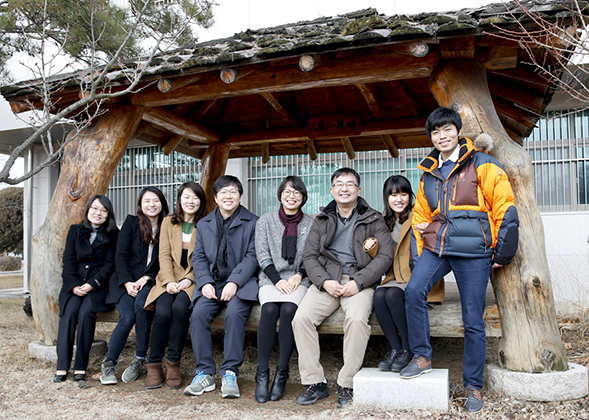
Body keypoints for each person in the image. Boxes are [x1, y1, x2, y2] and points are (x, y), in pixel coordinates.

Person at [401, 107, 519, 413]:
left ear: (457, 130)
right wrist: (420, 250)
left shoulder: (484, 164)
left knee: (472, 319)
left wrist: (501, 251)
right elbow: (420, 216)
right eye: (435, 132)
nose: (442, 136)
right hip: (438, 248)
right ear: (431, 137)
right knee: (413, 291)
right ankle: (422, 356)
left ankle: (473, 386)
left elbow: (505, 208)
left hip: (475, 251)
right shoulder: (428, 172)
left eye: (447, 130)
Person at [292, 168, 393, 408]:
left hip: (359, 281)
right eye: (339, 184)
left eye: (350, 184)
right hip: (327, 280)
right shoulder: (323, 219)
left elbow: (385, 257)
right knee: (301, 319)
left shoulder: (373, 218)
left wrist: (358, 282)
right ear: (332, 190)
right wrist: (324, 281)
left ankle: (347, 383)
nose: (344, 188)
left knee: (357, 320)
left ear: (358, 190)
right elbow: (309, 255)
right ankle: (315, 382)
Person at [184, 175, 259, 399]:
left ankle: (229, 372)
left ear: (240, 196)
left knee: (235, 315)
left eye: (233, 191)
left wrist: (234, 281)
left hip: (242, 282)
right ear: (215, 197)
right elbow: (197, 257)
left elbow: (252, 257)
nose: (228, 196)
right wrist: (205, 281)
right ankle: (205, 371)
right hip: (212, 283)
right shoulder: (204, 223)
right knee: (198, 314)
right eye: (223, 192)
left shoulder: (253, 222)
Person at [364, 175, 444, 373]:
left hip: (418, 277)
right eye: (393, 195)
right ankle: (396, 348)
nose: (398, 199)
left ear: (410, 196)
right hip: (396, 277)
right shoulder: (385, 222)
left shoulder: (419, 216)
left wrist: (428, 230)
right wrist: (372, 248)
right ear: (386, 198)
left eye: (403, 194)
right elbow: (387, 255)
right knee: (379, 295)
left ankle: (409, 349)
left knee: (392, 294)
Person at [253, 175, 314, 403]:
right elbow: (262, 253)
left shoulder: (311, 223)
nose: (292, 196)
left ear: (303, 197)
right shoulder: (265, 221)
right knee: (269, 311)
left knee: (289, 310)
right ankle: (262, 373)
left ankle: (282, 372)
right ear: (280, 195)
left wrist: (299, 275)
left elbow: (311, 255)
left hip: (299, 278)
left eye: (297, 192)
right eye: (287, 192)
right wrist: (276, 279)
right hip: (271, 278)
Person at [100, 187, 169, 385]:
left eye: (156, 201)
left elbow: (166, 261)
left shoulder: (168, 226)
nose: (152, 205)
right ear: (140, 204)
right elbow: (119, 256)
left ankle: (139, 358)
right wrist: (128, 282)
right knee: (127, 316)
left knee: (142, 305)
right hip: (124, 282)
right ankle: (108, 365)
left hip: (149, 281)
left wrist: (146, 278)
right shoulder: (131, 222)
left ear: (162, 203)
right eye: (147, 201)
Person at [143, 182, 207, 390]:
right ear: (179, 199)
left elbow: (205, 257)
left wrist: (189, 279)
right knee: (162, 312)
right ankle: (153, 365)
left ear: (201, 201)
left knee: (180, 310)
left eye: (195, 197)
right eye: (186, 197)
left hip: (191, 278)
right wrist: (169, 281)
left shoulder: (206, 224)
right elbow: (163, 254)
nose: (191, 201)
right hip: (167, 277)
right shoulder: (168, 222)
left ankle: (173, 364)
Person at [54, 195, 118, 382]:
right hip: (74, 286)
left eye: (103, 210)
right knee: (69, 313)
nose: (98, 213)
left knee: (85, 314)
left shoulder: (114, 234)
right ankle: (62, 365)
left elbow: (110, 265)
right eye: (95, 209)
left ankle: (80, 366)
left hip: (97, 288)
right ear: (88, 210)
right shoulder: (75, 231)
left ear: (109, 214)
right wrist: (74, 286)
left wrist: (92, 284)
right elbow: (68, 262)